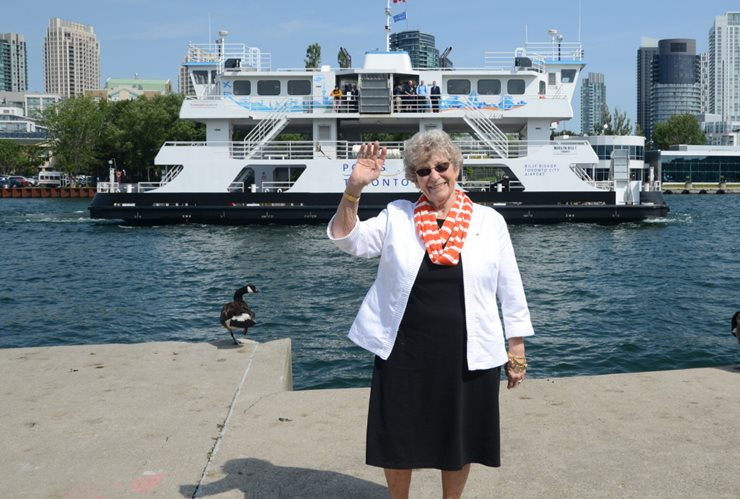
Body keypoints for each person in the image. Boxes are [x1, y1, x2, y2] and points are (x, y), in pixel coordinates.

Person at [327, 130, 534, 499]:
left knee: (460, 438)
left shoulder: (489, 221)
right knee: (398, 437)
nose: (434, 176)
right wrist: (353, 189)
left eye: (442, 166)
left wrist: (515, 346)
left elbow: (510, 286)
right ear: (414, 178)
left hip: (469, 349)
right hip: (405, 350)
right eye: (423, 171)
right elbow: (349, 240)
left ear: (456, 168)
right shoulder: (398, 215)